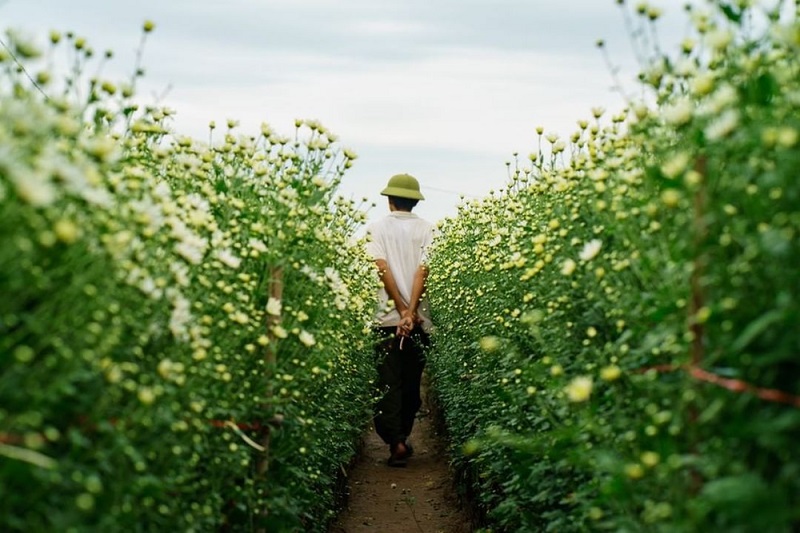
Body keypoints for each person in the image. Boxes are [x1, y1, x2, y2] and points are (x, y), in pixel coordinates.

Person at [364, 173, 435, 467]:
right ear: (414, 201)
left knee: (386, 383)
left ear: (390, 200)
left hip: (386, 321)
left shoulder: (376, 229)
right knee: (411, 382)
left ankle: (396, 442)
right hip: (418, 322)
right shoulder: (429, 230)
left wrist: (400, 310)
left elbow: (382, 269)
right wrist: (412, 312)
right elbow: (423, 271)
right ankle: (403, 435)